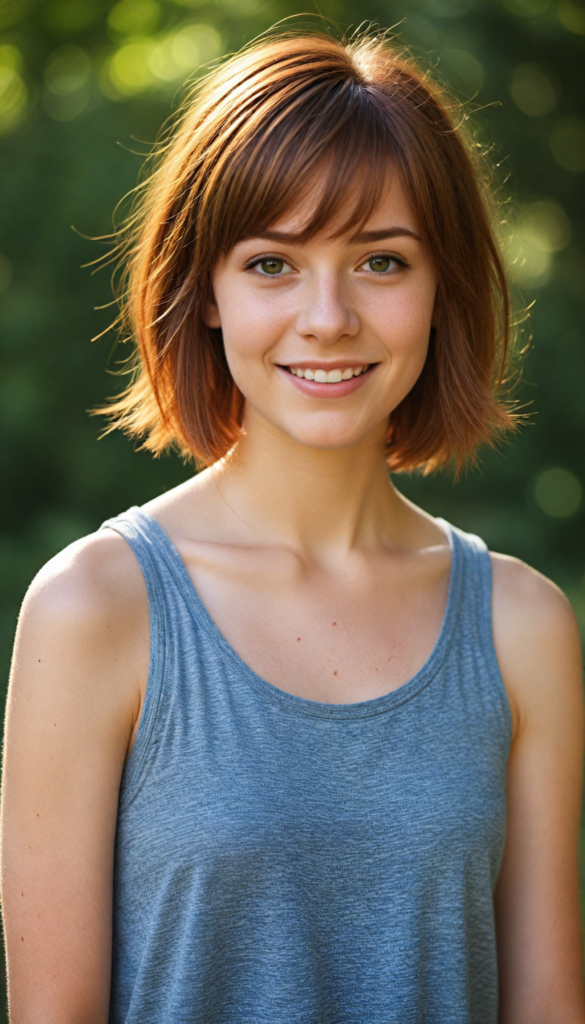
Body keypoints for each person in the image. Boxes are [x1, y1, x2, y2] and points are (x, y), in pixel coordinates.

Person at [2, 28, 584, 1024]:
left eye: (381, 261)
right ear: (208, 293)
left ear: (442, 286)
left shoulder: (523, 626)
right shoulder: (93, 608)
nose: (327, 316)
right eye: (272, 262)